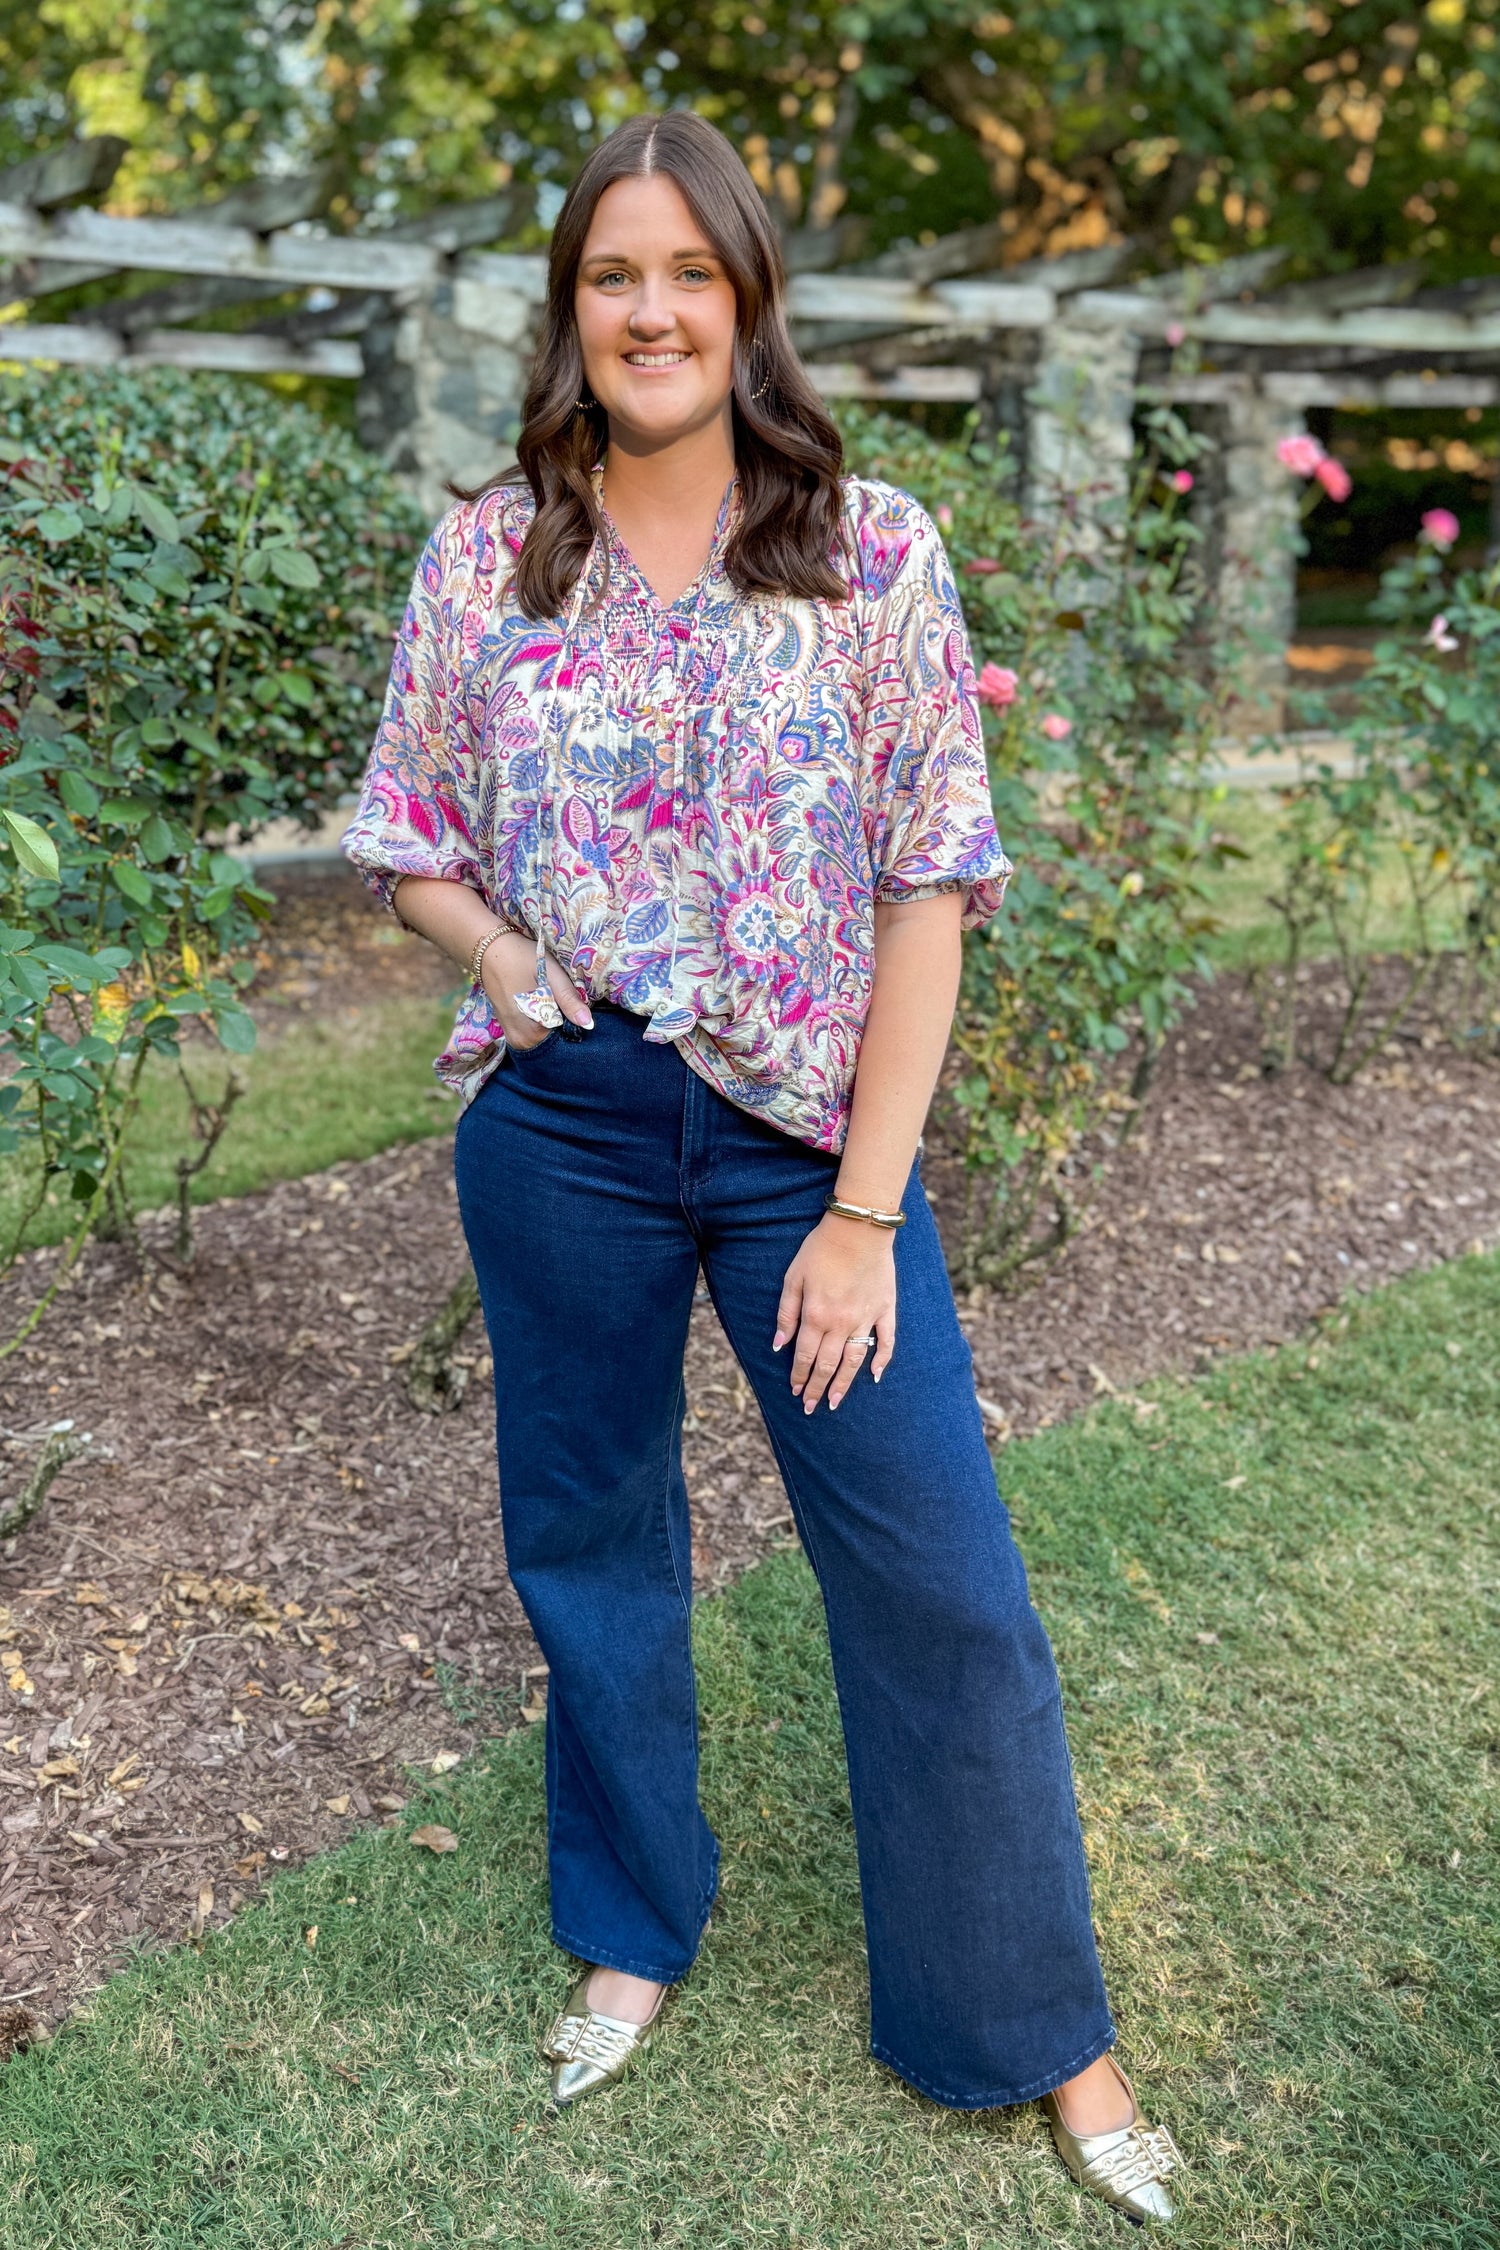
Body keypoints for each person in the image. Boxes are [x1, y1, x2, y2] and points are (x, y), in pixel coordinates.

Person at [342, 108, 1183, 2223]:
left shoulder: (869, 551)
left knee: (936, 1569)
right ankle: (635, 1925)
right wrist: (507, 957)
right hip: (570, 1133)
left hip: (813, 1141)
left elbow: (932, 885)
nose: (649, 311)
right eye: (612, 276)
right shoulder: (489, 554)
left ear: (745, 304)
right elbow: (405, 832)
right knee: (593, 1545)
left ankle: (1036, 2024)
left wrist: (868, 1215)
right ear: (572, 311)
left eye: (685, 276)